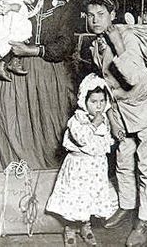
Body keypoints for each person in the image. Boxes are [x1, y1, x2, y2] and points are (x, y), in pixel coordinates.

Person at [83, 0, 147, 247]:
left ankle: (145, 219)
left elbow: (131, 77)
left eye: (101, 13)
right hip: (121, 111)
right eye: (90, 14)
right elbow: (106, 86)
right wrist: (111, 118)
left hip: (145, 108)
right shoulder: (94, 43)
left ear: (113, 15)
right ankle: (126, 204)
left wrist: (117, 42)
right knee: (123, 160)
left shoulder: (126, 36)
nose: (95, 19)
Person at [0, 0, 78, 170]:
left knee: (50, 126)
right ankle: (14, 171)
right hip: (18, 69)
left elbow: (66, 44)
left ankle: (49, 176)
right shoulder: (23, 0)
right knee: (13, 118)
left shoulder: (65, 6)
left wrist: (31, 50)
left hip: (49, 69)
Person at [46, 73, 116, 247]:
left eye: (101, 101)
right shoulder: (77, 120)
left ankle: (86, 226)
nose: (98, 106)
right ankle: (70, 227)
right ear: (84, 101)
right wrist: (94, 124)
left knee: (90, 198)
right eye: (94, 102)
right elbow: (82, 138)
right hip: (79, 167)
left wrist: (112, 135)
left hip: (95, 168)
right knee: (75, 199)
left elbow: (105, 141)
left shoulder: (104, 119)